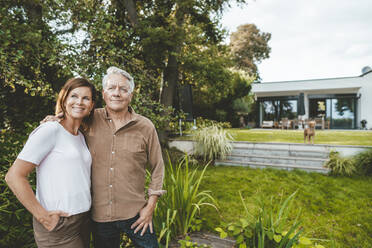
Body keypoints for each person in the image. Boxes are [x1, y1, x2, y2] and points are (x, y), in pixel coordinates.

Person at [43, 66, 165, 247]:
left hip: (137, 213)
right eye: (111, 88)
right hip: (100, 216)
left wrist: (150, 207)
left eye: (123, 89)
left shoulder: (145, 126)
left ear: (130, 95)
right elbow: (70, 120)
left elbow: (158, 167)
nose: (117, 93)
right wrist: (55, 120)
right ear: (104, 93)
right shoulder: (88, 119)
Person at [5, 77, 96, 248]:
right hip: (59, 225)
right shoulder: (50, 130)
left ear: (91, 106)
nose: (79, 102)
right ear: (64, 100)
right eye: (74, 96)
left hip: (82, 220)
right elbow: (14, 176)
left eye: (86, 98)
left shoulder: (81, 136)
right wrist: (44, 218)